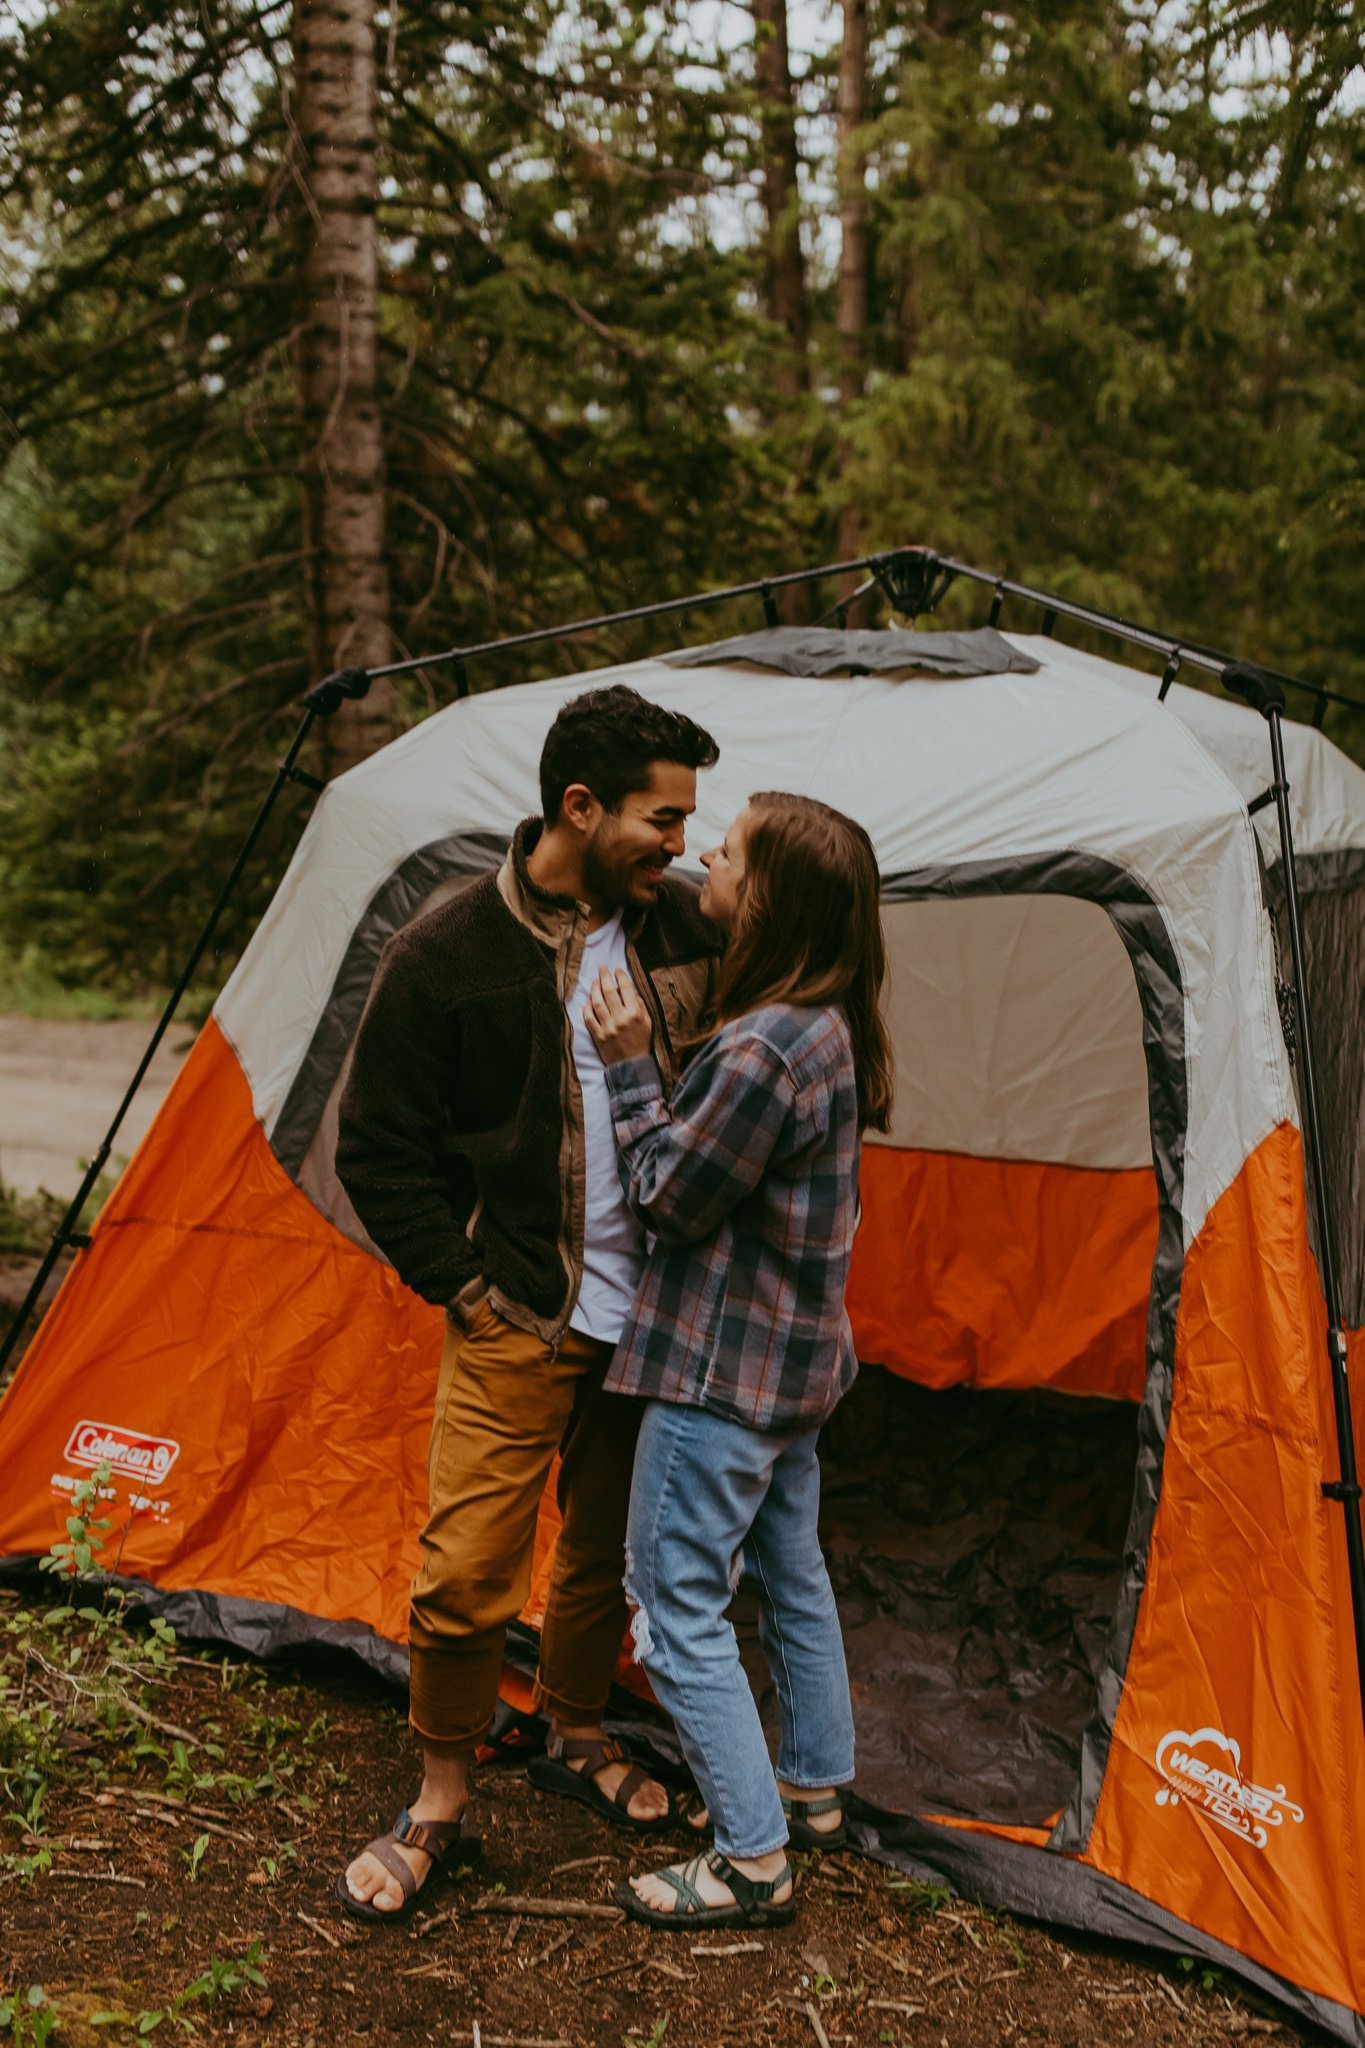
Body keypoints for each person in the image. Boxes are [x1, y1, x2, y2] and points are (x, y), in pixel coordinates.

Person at [332, 684, 723, 1923]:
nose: (682, 843)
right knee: (464, 1574)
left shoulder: (689, 927)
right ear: (581, 806)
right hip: (525, 1314)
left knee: (607, 1551)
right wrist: (467, 1288)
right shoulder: (447, 954)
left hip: (653, 1315)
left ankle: (575, 1729)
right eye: (662, 819)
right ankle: (440, 1794)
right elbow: (376, 1150)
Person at [583, 790, 893, 1930]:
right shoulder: (824, 1019)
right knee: (792, 1571)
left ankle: (752, 1854)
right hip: (795, 1375)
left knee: (677, 1608)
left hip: (720, 1378)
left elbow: (668, 1196)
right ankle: (812, 1787)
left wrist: (625, 1064)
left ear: (762, 900)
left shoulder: (762, 1045)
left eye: (725, 851)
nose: (701, 855)